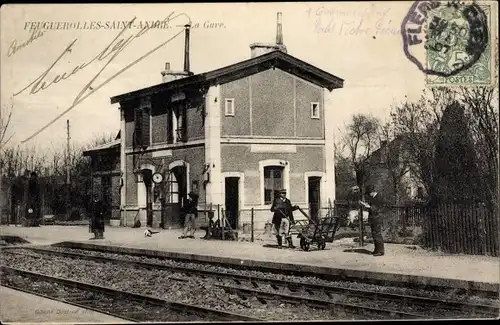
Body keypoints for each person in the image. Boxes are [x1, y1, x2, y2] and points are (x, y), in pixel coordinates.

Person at [359, 185, 385, 256]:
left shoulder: (378, 198)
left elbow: (377, 209)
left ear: (372, 192)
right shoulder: (374, 198)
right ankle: (376, 250)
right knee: (374, 234)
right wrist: (365, 204)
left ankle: (380, 251)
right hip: (374, 218)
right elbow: (371, 207)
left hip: (377, 218)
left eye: (369, 193)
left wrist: (369, 207)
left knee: (377, 234)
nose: (368, 195)